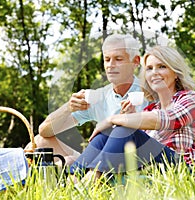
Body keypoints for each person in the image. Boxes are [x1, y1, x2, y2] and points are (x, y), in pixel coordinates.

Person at [70, 45, 195, 181]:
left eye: (162, 67)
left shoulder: (192, 99)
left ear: (175, 73)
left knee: (123, 128)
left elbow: (169, 119)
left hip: (191, 171)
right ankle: (74, 177)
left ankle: (93, 179)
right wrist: (128, 118)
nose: (154, 73)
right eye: (149, 68)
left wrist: (113, 119)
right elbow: (140, 147)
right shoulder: (150, 110)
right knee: (108, 134)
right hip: (155, 170)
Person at [24, 34, 149, 165]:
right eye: (107, 59)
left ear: (135, 61)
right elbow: (45, 131)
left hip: (134, 160)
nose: (111, 65)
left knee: (67, 162)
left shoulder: (148, 92)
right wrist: (68, 107)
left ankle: (73, 173)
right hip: (97, 160)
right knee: (40, 142)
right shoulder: (99, 97)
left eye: (118, 59)